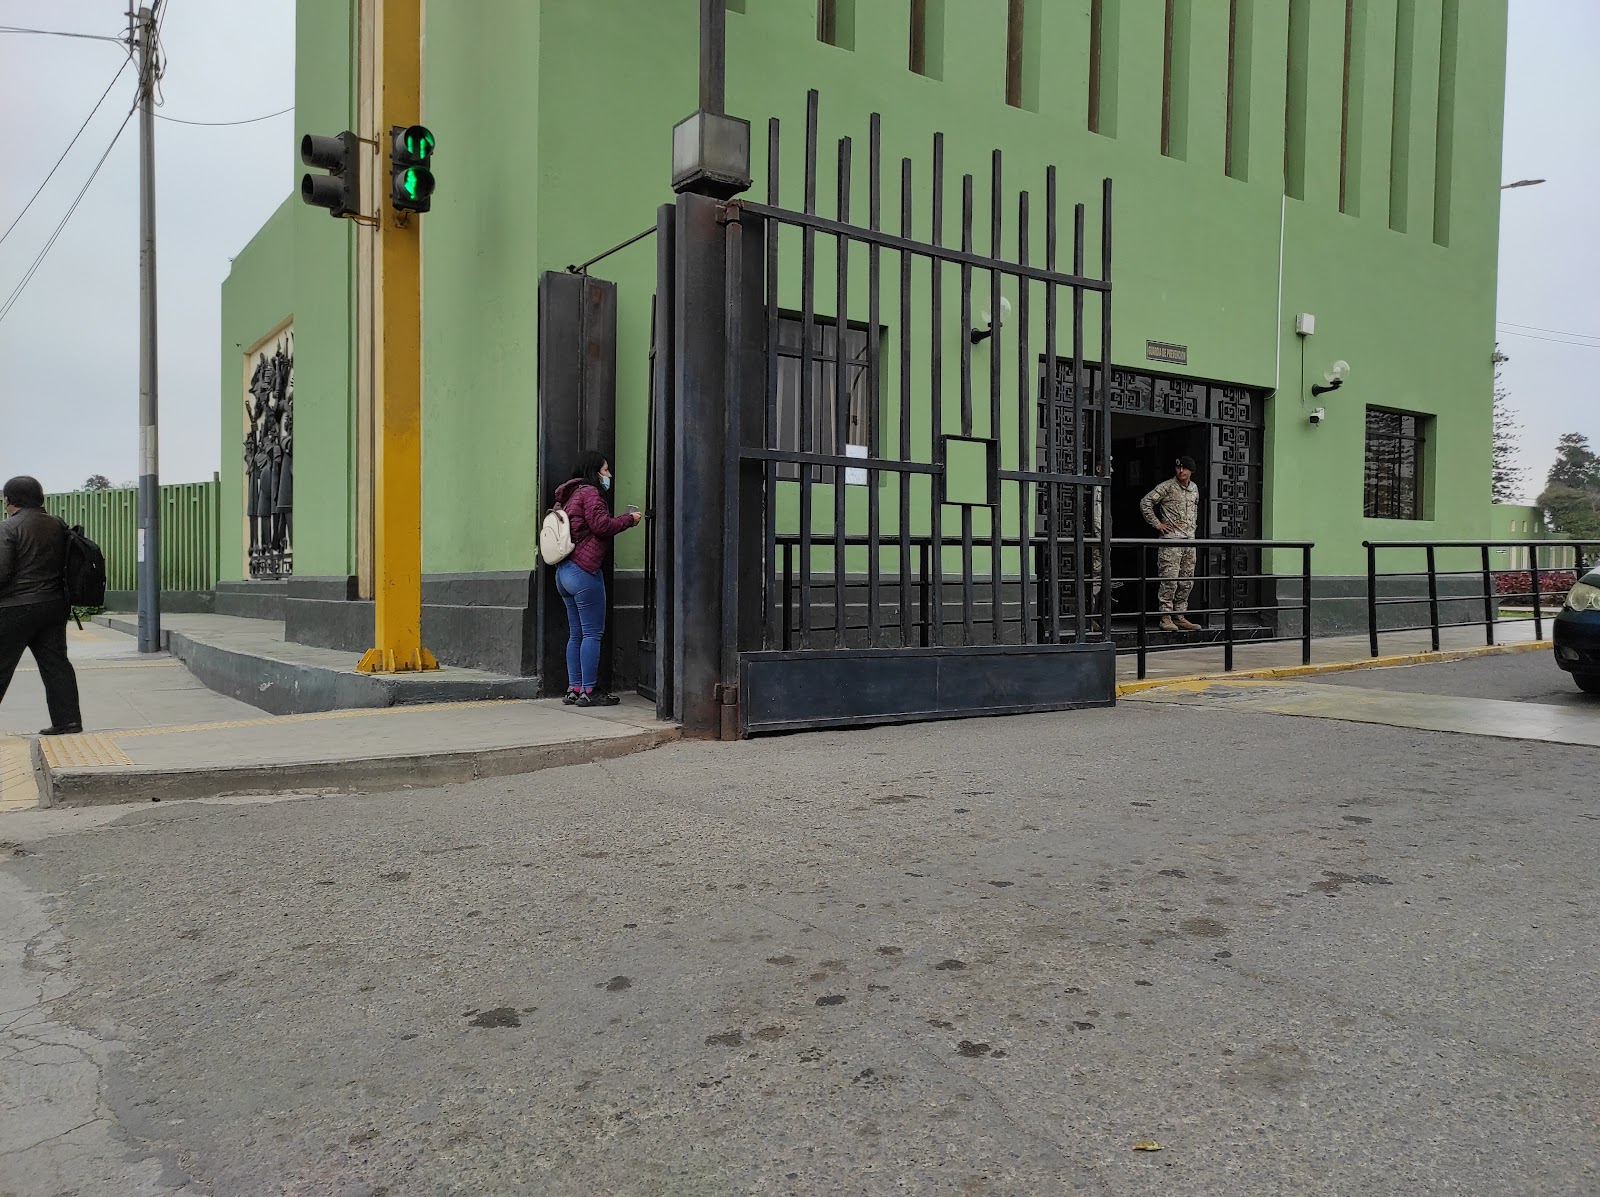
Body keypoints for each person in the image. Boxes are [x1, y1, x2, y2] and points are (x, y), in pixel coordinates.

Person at [551, 451, 642, 707]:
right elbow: (601, 526)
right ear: (594, 471)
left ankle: (574, 688)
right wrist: (629, 520)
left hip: (563, 572)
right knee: (592, 633)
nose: (609, 475)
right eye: (605, 470)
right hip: (584, 571)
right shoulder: (590, 493)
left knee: (576, 634)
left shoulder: (568, 496)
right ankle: (590, 691)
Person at [0, 476, 83, 734]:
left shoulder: (8, 528)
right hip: (54, 606)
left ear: (9, 500)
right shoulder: (58, 525)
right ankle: (68, 721)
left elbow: (2, 572)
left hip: (16, 608)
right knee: (56, 664)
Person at [1140, 456, 1201, 632]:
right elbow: (1146, 502)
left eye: (1184, 468)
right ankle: (1165, 617)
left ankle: (1179, 616)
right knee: (1169, 580)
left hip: (1189, 541)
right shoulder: (1167, 486)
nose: (1181, 471)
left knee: (1186, 581)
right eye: (1178, 468)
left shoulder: (1194, 488)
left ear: (1191, 471)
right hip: (1171, 541)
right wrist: (1157, 524)